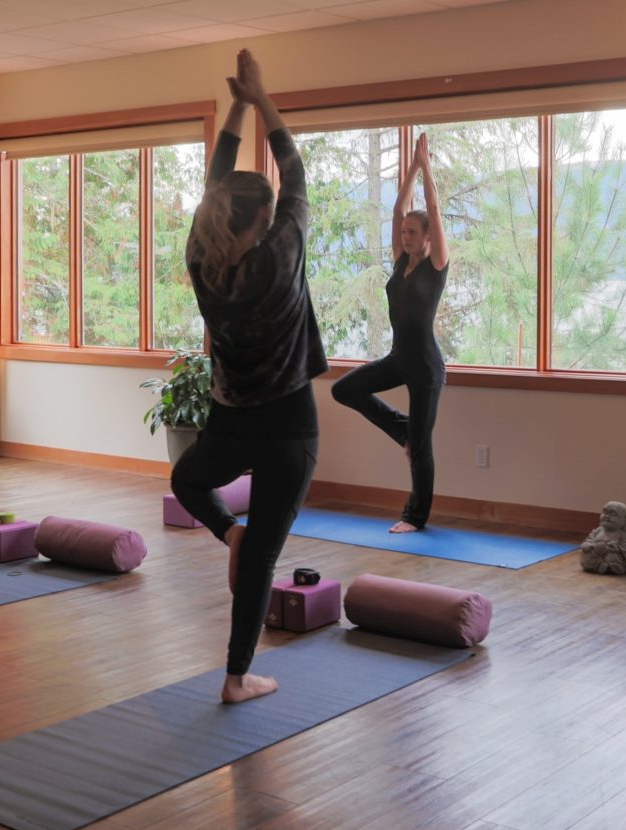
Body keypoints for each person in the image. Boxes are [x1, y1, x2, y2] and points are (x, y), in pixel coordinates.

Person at [170, 49, 327, 704]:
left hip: (232, 417)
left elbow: (218, 184)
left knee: (187, 478)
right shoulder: (279, 256)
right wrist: (261, 99)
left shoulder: (201, 260)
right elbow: (295, 173)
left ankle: (228, 533)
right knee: (261, 554)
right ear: (261, 221)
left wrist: (235, 106)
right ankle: (237, 675)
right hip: (288, 422)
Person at [331, 133, 449, 533]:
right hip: (400, 359)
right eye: (404, 233)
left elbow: (430, 207)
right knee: (344, 389)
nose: (405, 236)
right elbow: (400, 208)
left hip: (426, 368)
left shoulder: (436, 265)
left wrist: (428, 168)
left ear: (428, 238)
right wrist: (412, 166)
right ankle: (401, 429)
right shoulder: (401, 263)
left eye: (413, 233)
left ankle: (415, 517)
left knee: (421, 449)